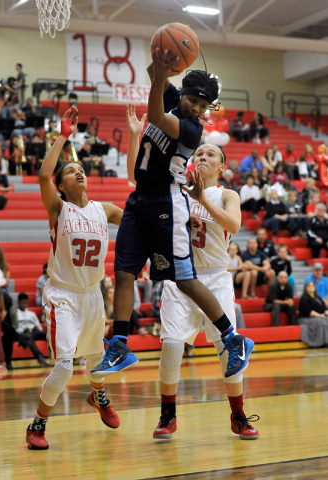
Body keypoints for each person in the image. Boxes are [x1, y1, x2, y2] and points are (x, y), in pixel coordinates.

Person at [90, 53, 254, 380]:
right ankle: (119, 344)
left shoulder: (191, 129)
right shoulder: (175, 99)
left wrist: (159, 76)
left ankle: (233, 338)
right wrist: (159, 57)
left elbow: (154, 112)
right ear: (185, 95)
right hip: (139, 199)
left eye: (202, 105)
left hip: (167, 201)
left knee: (183, 279)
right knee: (123, 273)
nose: (195, 107)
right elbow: (156, 74)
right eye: (192, 100)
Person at [25, 106, 124, 450]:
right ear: (62, 186)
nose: (78, 172)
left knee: (98, 359)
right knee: (65, 365)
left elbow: (136, 221)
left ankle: (98, 396)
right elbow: (41, 176)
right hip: (63, 294)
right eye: (71, 170)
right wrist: (63, 135)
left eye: (81, 168)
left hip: (93, 294)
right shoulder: (58, 209)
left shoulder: (105, 209)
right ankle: (37, 424)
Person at [152, 143, 259, 439]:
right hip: (181, 278)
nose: (203, 156)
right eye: (199, 153)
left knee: (228, 352)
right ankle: (167, 415)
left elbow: (234, 225)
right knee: (172, 345)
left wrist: (202, 201)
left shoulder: (227, 195)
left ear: (222, 167)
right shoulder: (178, 191)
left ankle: (238, 415)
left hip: (215, 278)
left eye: (211, 154)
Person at [16, 292, 49, 367]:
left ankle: (64, 355)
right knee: (28, 337)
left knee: (47, 334)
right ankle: (40, 357)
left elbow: (39, 327)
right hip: (24, 333)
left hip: (34, 332)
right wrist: (23, 330)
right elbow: (15, 329)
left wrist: (36, 328)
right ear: (18, 302)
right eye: (23, 303)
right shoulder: (16, 314)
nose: (25, 305)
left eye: (26, 303)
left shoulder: (32, 314)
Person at [298, 281, 328, 347]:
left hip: (319, 317)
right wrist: (320, 316)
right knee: (321, 322)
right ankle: (319, 343)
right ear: (306, 288)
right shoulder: (304, 298)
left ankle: (326, 341)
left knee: (326, 320)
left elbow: (324, 308)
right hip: (306, 318)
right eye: (309, 286)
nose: (311, 287)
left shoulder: (318, 298)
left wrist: (326, 313)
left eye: (313, 286)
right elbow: (308, 312)